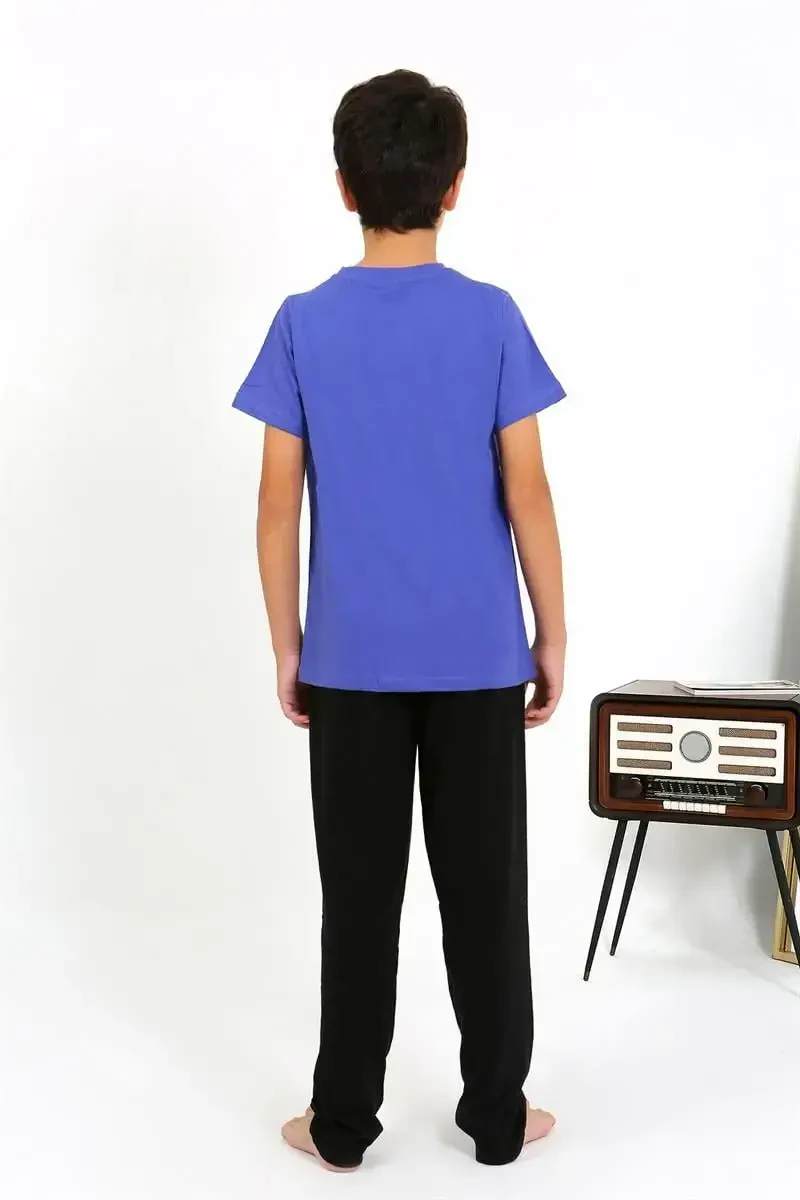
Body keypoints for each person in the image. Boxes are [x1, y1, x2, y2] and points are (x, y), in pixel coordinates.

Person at [233, 68, 566, 1172]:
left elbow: (277, 504)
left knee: (358, 904)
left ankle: (339, 1126)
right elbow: (527, 489)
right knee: (487, 899)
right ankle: (497, 1117)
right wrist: (551, 633)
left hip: (351, 666)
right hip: (478, 660)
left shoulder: (303, 323)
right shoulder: (491, 316)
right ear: (455, 186)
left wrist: (289, 644)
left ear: (344, 186)